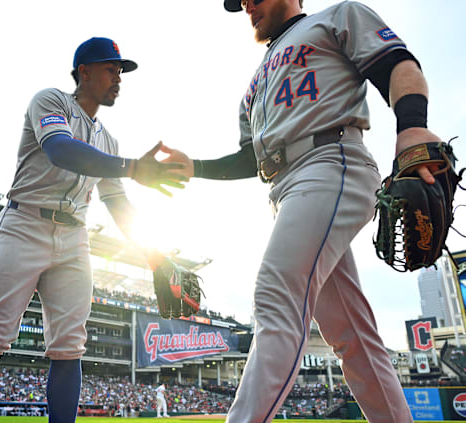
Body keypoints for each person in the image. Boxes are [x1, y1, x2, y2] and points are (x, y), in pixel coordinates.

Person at [163, 0, 441, 421]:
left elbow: (398, 63)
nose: (246, 6)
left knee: (276, 292)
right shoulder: (255, 82)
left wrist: (412, 126)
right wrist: (196, 167)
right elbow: (249, 159)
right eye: (240, 2)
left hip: (331, 161)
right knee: (352, 335)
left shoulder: (336, 17)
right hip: (285, 188)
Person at [0, 37, 185, 423]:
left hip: (75, 237)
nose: (119, 79)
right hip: (25, 224)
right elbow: (61, 149)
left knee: (69, 348)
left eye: (121, 71)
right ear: (85, 72)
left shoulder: (108, 140)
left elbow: (118, 204)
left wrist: (155, 257)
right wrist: (131, 167)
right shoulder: (51, 100)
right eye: (112, 69)